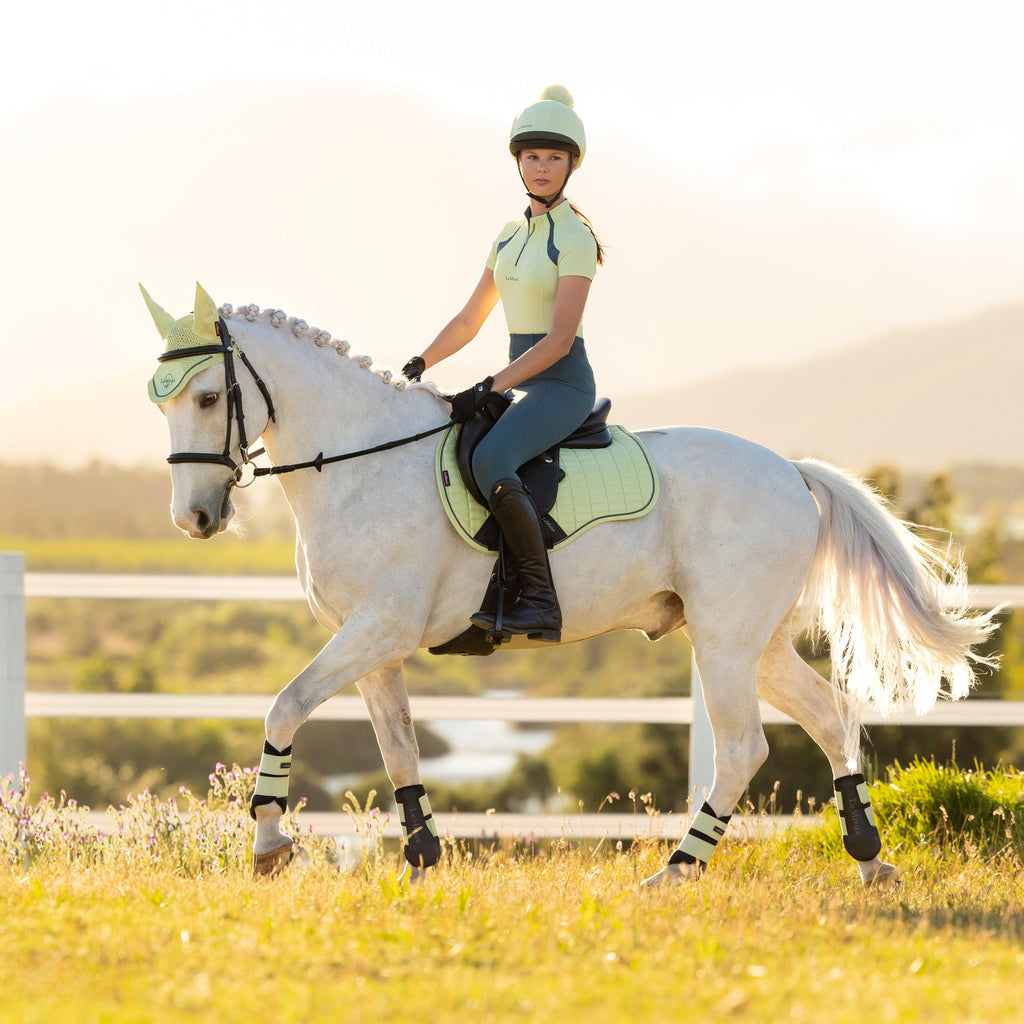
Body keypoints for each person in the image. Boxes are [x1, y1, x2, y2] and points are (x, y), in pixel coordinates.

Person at [402, 84, 605, 644]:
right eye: (532, 157)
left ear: (570, 166)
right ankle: (475, 592)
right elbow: (470, 320)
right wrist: (419, 363)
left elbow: (560, 340)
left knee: (492, 455)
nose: (542, 168)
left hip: (561, 385)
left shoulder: (575, 238)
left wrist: (490, 385)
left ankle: (539, 599)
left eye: (554, 158)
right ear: (518, 162)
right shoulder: (509, 236)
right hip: (521, 383)